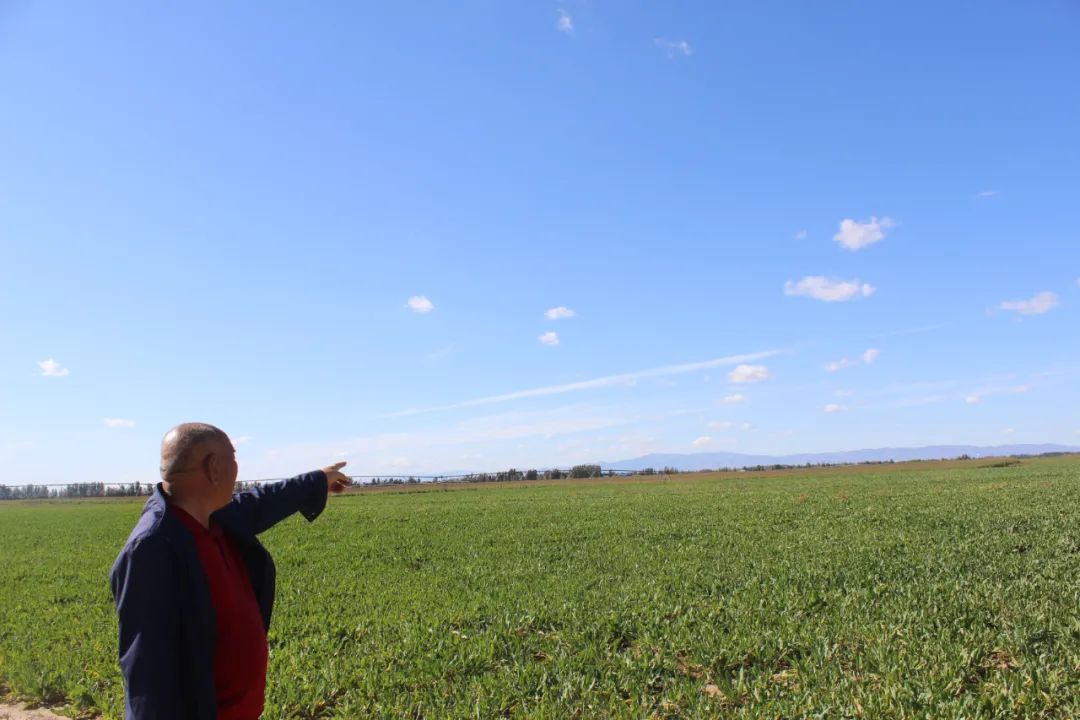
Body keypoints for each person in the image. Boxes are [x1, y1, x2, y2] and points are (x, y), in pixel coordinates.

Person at [109, 422, 351, 720]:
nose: (238, 472)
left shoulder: (213, 516)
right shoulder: (153, 549)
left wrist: (317, 480)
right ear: (213, 468)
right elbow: (148, 675)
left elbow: (263, 501)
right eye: (233, 459)